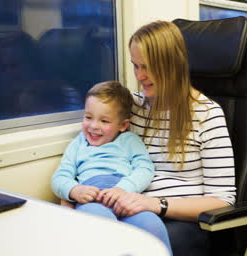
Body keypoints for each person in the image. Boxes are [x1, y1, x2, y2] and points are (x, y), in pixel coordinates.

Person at [111, 21, 236, 256]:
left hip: (181, 221)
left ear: (172, 65)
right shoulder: (131, 107)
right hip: (132, 210)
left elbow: (222, 201)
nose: (140, 76)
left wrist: (158, 204)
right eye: (135, 66)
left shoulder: (207, 114)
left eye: (147, 67)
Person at [51, 80, 172, 254]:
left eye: (104, 121)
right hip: (93, 200)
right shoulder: (78, 143)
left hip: (125, 198)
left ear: (122, 125)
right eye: (88, 117)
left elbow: (144, 169)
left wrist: (123, 188)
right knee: (102, 224)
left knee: (153, 225)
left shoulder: (130, 141)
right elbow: (60, 177)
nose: (93, 126)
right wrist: (75, 190)